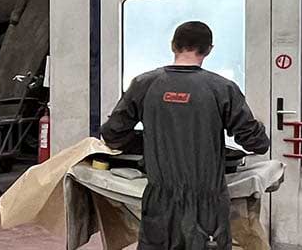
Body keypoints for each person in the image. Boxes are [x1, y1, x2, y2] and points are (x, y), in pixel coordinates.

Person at [100, 20, 271, 250]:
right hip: (207, 206)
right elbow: (257, 143)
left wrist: (150, 143)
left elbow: (112, 135)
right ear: (209, 49)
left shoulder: (144, 84)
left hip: (159, 203)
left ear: (173, 45)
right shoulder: (222, 88)